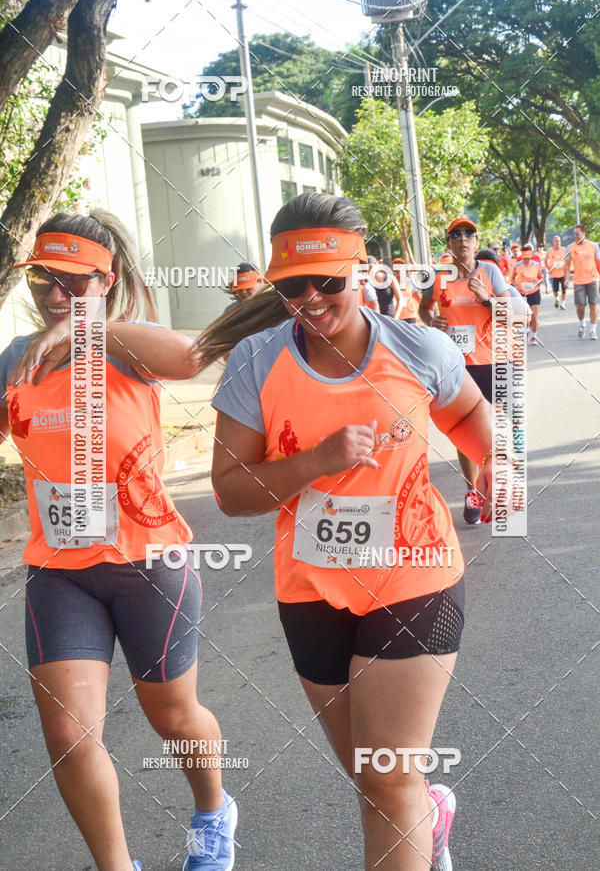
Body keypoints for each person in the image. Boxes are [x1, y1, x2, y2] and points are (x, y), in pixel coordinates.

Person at [195, 192, 515, 871]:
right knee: (372, 782)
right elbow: (228, 492)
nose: (309, 299)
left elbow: (482, 437)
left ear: (361, 268)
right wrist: (317, 460)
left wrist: (499, 476)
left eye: (328, 282)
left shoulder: (417, 348)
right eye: (291, 286)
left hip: (415, 577)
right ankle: (431, 817)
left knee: (388, 781)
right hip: (310, 591)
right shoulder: (257, 361)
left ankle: (416, 814)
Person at [0, 211, 238, 871]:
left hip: (150, 565)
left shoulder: (126, 345)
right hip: (60, 575)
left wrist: (89, 326)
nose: (56, 294)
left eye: (75, 282)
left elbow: (192, 357)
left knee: (174, 718)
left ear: (108, 281)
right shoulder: (17, 359)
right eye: (45, 278)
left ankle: (214, 813)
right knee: (71, 739)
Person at [419, 217, 511, 525]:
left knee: (495, 430)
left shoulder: (490, 272)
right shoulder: (439, 276)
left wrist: (486, 299)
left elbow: (509, 314)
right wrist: (432, 321)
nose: (463, 239)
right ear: (449, 243)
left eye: (469, 233)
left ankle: (493, 481)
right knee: (465, 434)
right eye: (456, 234)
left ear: (476, 240)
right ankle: (473, 490)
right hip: (455, 365)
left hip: (490, 362)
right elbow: (423, 307)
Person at [564, 224, 600, 339]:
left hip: (593, 279)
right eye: (573, 233)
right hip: (578, 281)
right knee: (580, 306)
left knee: (593, 304)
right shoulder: (570, 247)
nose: (575, 236)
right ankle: (582, 323)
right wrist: (565, 279)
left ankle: (593, 330)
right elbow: (567, 266)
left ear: (584, 233)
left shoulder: (593, 246)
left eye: (577, 233)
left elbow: (598, 263)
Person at [511, 244, 543, 344]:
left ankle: (534, 336)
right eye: (524, 256)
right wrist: (516, 286)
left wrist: (536, 281)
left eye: (528, 256)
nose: (526, 259)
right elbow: (512, 278)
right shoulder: (518, 265)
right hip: (522, 294)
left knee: (534, 316)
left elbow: (541, 279)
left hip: (534, 292)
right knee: (525, 317)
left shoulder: (536, 265)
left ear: (531, 255)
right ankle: (526, 331)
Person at [545, 236, 568, 309]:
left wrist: (566, 269)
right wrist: (549, 269)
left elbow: (568, 260)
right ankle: (557, 299)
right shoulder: (550, 250)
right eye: (556, 241)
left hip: (563, 273)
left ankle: (563, 303)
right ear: (553, 242)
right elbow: (545, 261)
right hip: (554, 274)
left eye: (559, 241)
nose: (558, 242)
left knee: (564, 289)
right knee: (555, 290)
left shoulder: (564, 250)